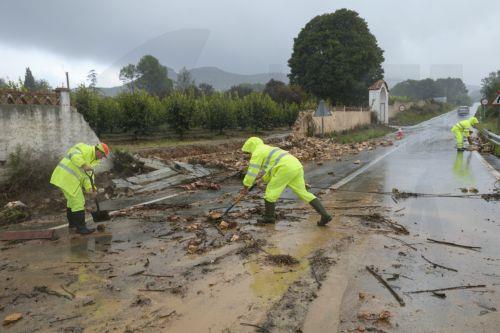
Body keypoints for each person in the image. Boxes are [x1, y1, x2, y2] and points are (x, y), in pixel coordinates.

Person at [240, 137, 332, 226]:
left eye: (248, 152)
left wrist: (245, 187)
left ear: (251, 147)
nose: (249, 154)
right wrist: (261, 180)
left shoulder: (257, 153)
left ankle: (269, 217)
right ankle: (325, 215)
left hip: (284, 168)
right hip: (296, 165)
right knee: (304, 193)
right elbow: (272, 168)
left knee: (270, 193)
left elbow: (252, 172)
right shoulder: (268, 148)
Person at [50, 142, 110, 234]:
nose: (102, 157)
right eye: (102, 155)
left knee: (71, 202)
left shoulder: (94, 161)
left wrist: (91, 188)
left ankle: (73, 224)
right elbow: (73, 154)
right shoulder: (84, 148)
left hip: (68, 180)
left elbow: (88, 176)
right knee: (78, 201)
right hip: (65, 177)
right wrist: (83, 164)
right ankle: (81, 228)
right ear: (98, 150)